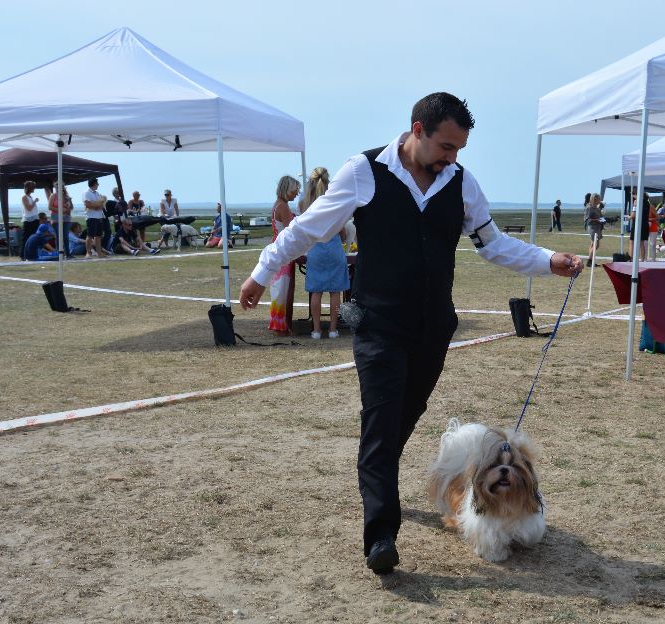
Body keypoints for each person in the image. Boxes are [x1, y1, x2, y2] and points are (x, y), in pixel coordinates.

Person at [238, 92, 582, 575]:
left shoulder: (461, 183)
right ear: (417, 130)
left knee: (401, 421)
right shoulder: (364, 171)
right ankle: (381, 535)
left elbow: (493, 244)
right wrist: (260, 271)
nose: (452, 158)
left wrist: (550, 261)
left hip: (433, 329)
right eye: (446, 146)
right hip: (378, 325)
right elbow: (308, 228)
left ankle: (374, 473)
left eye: (459, 149)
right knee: (380, 426)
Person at [300, 167, 350, 340]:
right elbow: (342, 231)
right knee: (335, 292)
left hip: (315, 249)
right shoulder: (334, 202)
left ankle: (316, 330)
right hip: (334, 248)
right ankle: (333, 330)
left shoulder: (304, 203)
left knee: (316, 291)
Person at [267, 175, 301, 334]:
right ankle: (284, 325)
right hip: (284, 252)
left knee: (279, 289)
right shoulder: (284, 207)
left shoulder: (277, 205)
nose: (297, 193)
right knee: (285, 290)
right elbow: (291, 231)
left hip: (276, 248)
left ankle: (280, 323)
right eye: (295, 190)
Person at [83, 178, 109, 258]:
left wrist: (95, 205)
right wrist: (96, 205)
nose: (98, 185)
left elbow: (101, 205)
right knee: (90, 236)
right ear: (94, 184)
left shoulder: (97, 193)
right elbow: (88, 205)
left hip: (99, 217)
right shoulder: (86, 193)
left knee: (98, 236)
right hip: (91, 217)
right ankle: (89, 252)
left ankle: (99, 253)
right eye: (97, 183)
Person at [46, 181, 74, 255]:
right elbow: (49, 207)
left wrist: (68, 206)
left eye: (60, 186)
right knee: (58, 236)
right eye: (56, 187)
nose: (58, 188)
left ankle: (68, 254)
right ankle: (59, 254)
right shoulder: (53, 196)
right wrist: (60, 209)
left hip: (66, 218)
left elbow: (71, 207)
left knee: (65, 236)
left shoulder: (66, 196)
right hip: (56, 218)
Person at [20, 180, 41, 259]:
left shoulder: (30, 197)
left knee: (33, 238)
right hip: (28, 220)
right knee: (26, 238)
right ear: (29, 188)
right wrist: (35, 201)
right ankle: (23, 255)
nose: (34, 189)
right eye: (33, 187)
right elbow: (29, 208)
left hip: (34, 219)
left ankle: (31, 254)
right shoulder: (24, 197)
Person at [628, 191, 651, 260]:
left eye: (633, 195)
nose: (633, 197)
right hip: (645, 224)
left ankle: (631, 259)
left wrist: (629, 217)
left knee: (632, 242)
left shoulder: (636, 202)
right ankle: (643, 260)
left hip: (637, 224)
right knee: (641, 243)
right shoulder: (647, 202)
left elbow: (633, 215)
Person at [585, 192, 605, 265]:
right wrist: (597, 220)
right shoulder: (589, 208)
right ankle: (589, 261)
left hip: (598, 227)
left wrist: (603, 220)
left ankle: (591, 261)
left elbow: (600, 217)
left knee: (593, 244)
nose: (600, 200)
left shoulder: (597, 208)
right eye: (599, 199)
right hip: (593, 228)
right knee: (596, 245)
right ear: (595, 199)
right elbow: (587, 219)